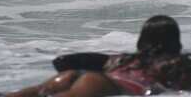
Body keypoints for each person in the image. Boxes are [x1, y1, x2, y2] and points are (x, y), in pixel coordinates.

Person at [0, 53, 191, 96]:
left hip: (81, 76)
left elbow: (62, 61)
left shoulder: (127, 61)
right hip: (99, 87)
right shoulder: (157, 87)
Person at [54, 15, 182, 72]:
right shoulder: (179, 64)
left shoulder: (121, 61)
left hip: (97, 85)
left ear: (141, 41)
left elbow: (60, 61)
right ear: (176, 42)